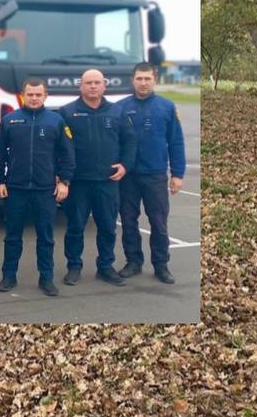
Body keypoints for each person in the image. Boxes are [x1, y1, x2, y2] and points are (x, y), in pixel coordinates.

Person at [0, 78, 75, 296]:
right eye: (30, 94)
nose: (34, 98)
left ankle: (46, 278)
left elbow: (67, 155)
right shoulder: (10, 120)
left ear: (45, 96)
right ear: (23, 95)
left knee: (46, 237)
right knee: (12, 236)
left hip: (45, 190)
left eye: (39, 94)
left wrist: (65, 181)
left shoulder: (56, 122)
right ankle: (8, 276)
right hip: (15, 189)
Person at [57, 69, 136, 286]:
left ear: (104, 86)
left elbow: (130, 142)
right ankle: (74, 266)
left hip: (107, 182)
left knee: (108, 227)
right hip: (79, 183)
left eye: (97, 82)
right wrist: (63, 176)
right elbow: (60, 147)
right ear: (80, 86)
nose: (93, 86)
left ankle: (105, 267)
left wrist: (125, 165)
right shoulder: (67, 112)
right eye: (89, 82)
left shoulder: (117, 112)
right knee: (75, 227)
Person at [115, 62, 186, 284]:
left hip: (155, 175)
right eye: (139, 78)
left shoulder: (166, 107)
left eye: (147, 78)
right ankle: (133, 261)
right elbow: (113, 143)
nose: (143, 83)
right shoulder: (120, 108)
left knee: (158, 221)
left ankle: (161, 264)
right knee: (128, 220)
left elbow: (176, 142)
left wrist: (177, 173)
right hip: (128, 176)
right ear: (133, 80)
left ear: (155, 80)